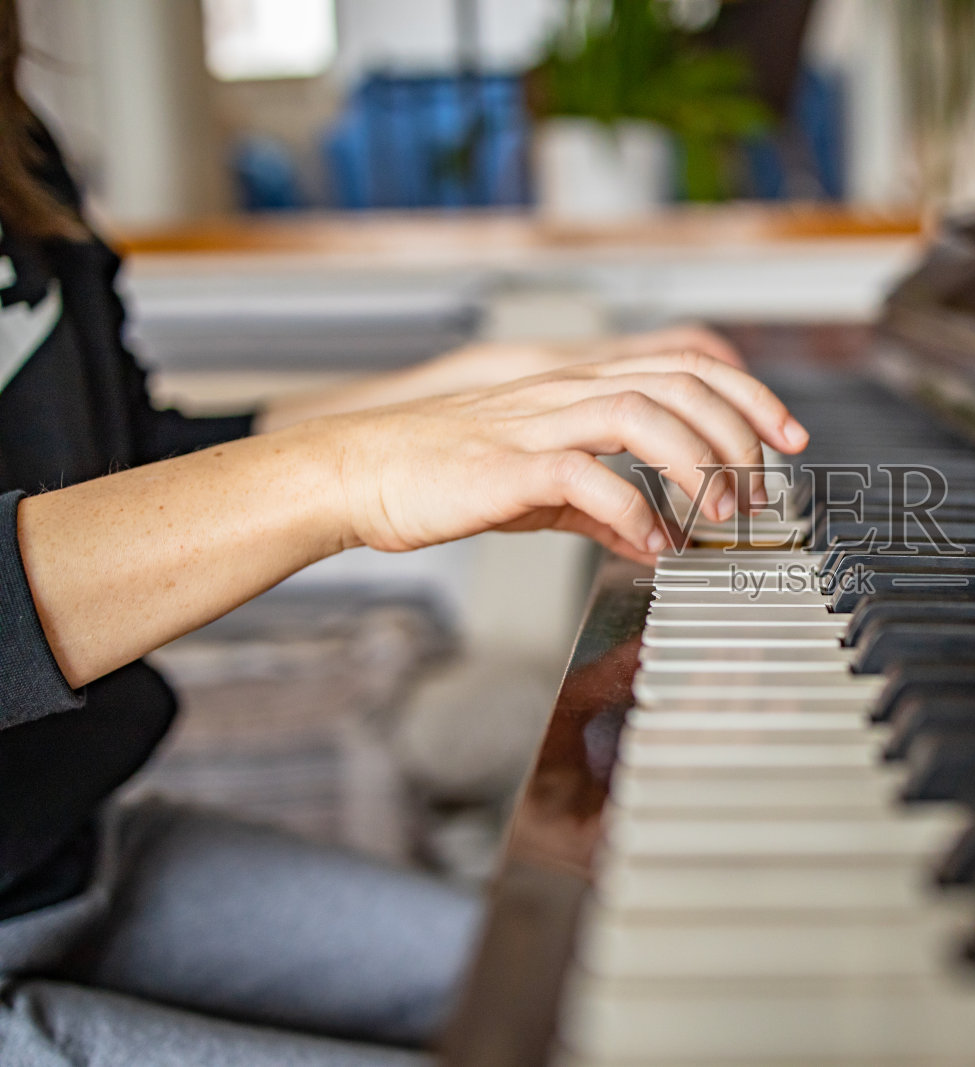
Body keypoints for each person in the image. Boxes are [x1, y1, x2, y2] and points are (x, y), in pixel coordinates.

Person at [0, 2, 809, 1062]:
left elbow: (112, 470)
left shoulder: (18, 144)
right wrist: (349, 474)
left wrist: (462, 396)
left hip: (69, 850)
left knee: (646, 1002)